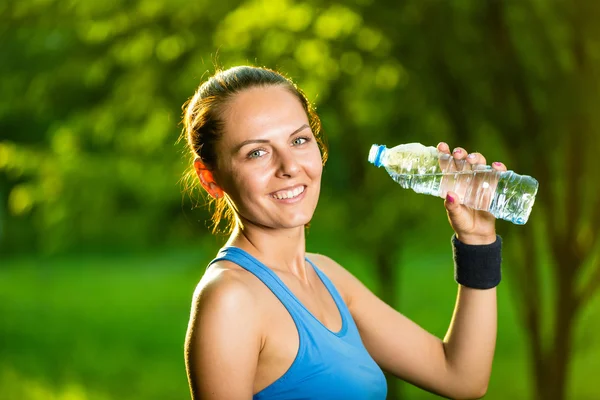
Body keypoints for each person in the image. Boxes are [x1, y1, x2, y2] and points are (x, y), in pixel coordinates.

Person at [182, 66, 504, 400]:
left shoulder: (327, 276)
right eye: (257, 152)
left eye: (299, 140)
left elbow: (462, 378)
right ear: (210, 178)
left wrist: (477, 242)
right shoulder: (231, 300)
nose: (290, 167)